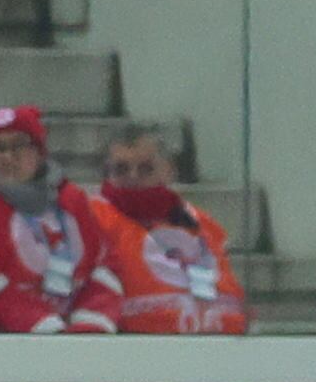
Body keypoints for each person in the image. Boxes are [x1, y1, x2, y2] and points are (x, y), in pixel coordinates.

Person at [0, 100, 116, 332]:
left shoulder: (71, 200)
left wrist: (90, 324)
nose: (8, 157)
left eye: (19, 146)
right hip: (0, 340)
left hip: (73, 337)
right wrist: (45, 328)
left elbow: (102, 267)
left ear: (39, 152)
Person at [92, 123, 247, 334]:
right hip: (135, 349)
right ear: (106, 173)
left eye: (146, 168)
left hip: (220, 345)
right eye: (121, 169)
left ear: (169, 170)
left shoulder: (201, 222)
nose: (133, 177)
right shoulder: (92, 218)